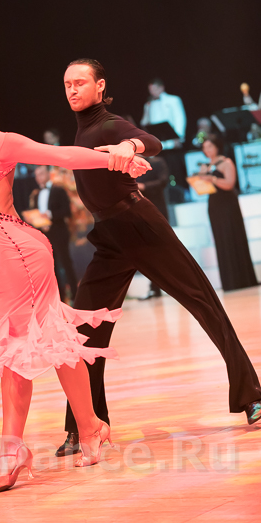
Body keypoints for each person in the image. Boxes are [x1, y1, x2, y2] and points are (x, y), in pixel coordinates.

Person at [0, 50, 151, 494]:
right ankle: (90, 428)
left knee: (15, 352)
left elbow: (61, 156)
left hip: (22, 255)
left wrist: (115, 159)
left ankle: (12, 451)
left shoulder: (4, 144)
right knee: (53, 341)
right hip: (7, 259)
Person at [57, 59, 261, 457]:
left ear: (100, 86)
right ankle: (84, 424)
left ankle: (252, 396)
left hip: (140, 226)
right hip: (110, 237)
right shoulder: (81, 131)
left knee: (203, 301)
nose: (73, 89)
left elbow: (151, 140)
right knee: (82, 334)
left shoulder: (110, 124)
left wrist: (129, 147)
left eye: (80, 82)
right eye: (67, 84)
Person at [199, 135, 258, 291]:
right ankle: (229, 281)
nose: (207, 150)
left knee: (233, 236)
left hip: (228, 204)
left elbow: (230, 184)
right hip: (214, 204)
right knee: (220, 239)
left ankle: (242, 279)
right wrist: (199, 182)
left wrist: (212, 179)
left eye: (210, 146)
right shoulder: (205, 166)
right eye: (204, 148)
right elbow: (202, 188)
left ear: (217, 146)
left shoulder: (226, 162)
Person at [29, 165, 78, 302]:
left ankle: (76, 295)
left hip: (59, 232)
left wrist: (50, 215)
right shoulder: (36, 194)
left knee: (66, 264)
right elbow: (36, 213)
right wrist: (34, 218)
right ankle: (59, 299)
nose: (39, 178)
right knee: (51, 267)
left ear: (48, 174)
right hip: (45, 235)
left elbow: (67, 211)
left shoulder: (58, 190)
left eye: (41, 174)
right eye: (37, 175)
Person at [136, 155, 169, 300]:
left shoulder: (157, 162)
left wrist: (143, 186)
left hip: (157, 210)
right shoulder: (130, 166)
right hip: (139, 212)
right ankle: (154, 288)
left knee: (162, 249)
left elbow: (163, 181)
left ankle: (168, 286)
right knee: (149, 251)